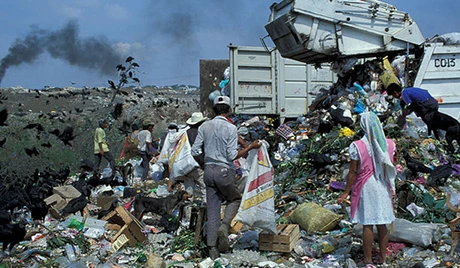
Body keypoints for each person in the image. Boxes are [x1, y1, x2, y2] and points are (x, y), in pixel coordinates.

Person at [191, 96, 262, 260]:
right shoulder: (230, 128)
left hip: (208, 171)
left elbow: (195, 151)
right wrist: (251, 147)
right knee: (235, 198)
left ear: (215, 109)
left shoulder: (204, 126)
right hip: (224, 171)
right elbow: (232, 155)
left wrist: (203, 164)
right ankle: (224, 227)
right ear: (228, 110)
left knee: (213, 208)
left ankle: (212, 249)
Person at [337, 111, 397, 265]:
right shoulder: (389, 144)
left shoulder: (357, 146)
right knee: (383, 222)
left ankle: (368, 260)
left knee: (368, 223)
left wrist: (345, 192)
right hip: (383, 184)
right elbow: (391, 164)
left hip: (367, 186)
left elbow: (353, 172)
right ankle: (383, 259)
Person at [167, 112, 208, 196]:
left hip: (185, 165)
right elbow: (197, 150)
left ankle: (187, 207)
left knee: (189, 190)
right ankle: (206, 207)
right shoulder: (199, 132)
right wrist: (202, 163)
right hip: (195, 164)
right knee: (205, 187)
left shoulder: (185, 132)